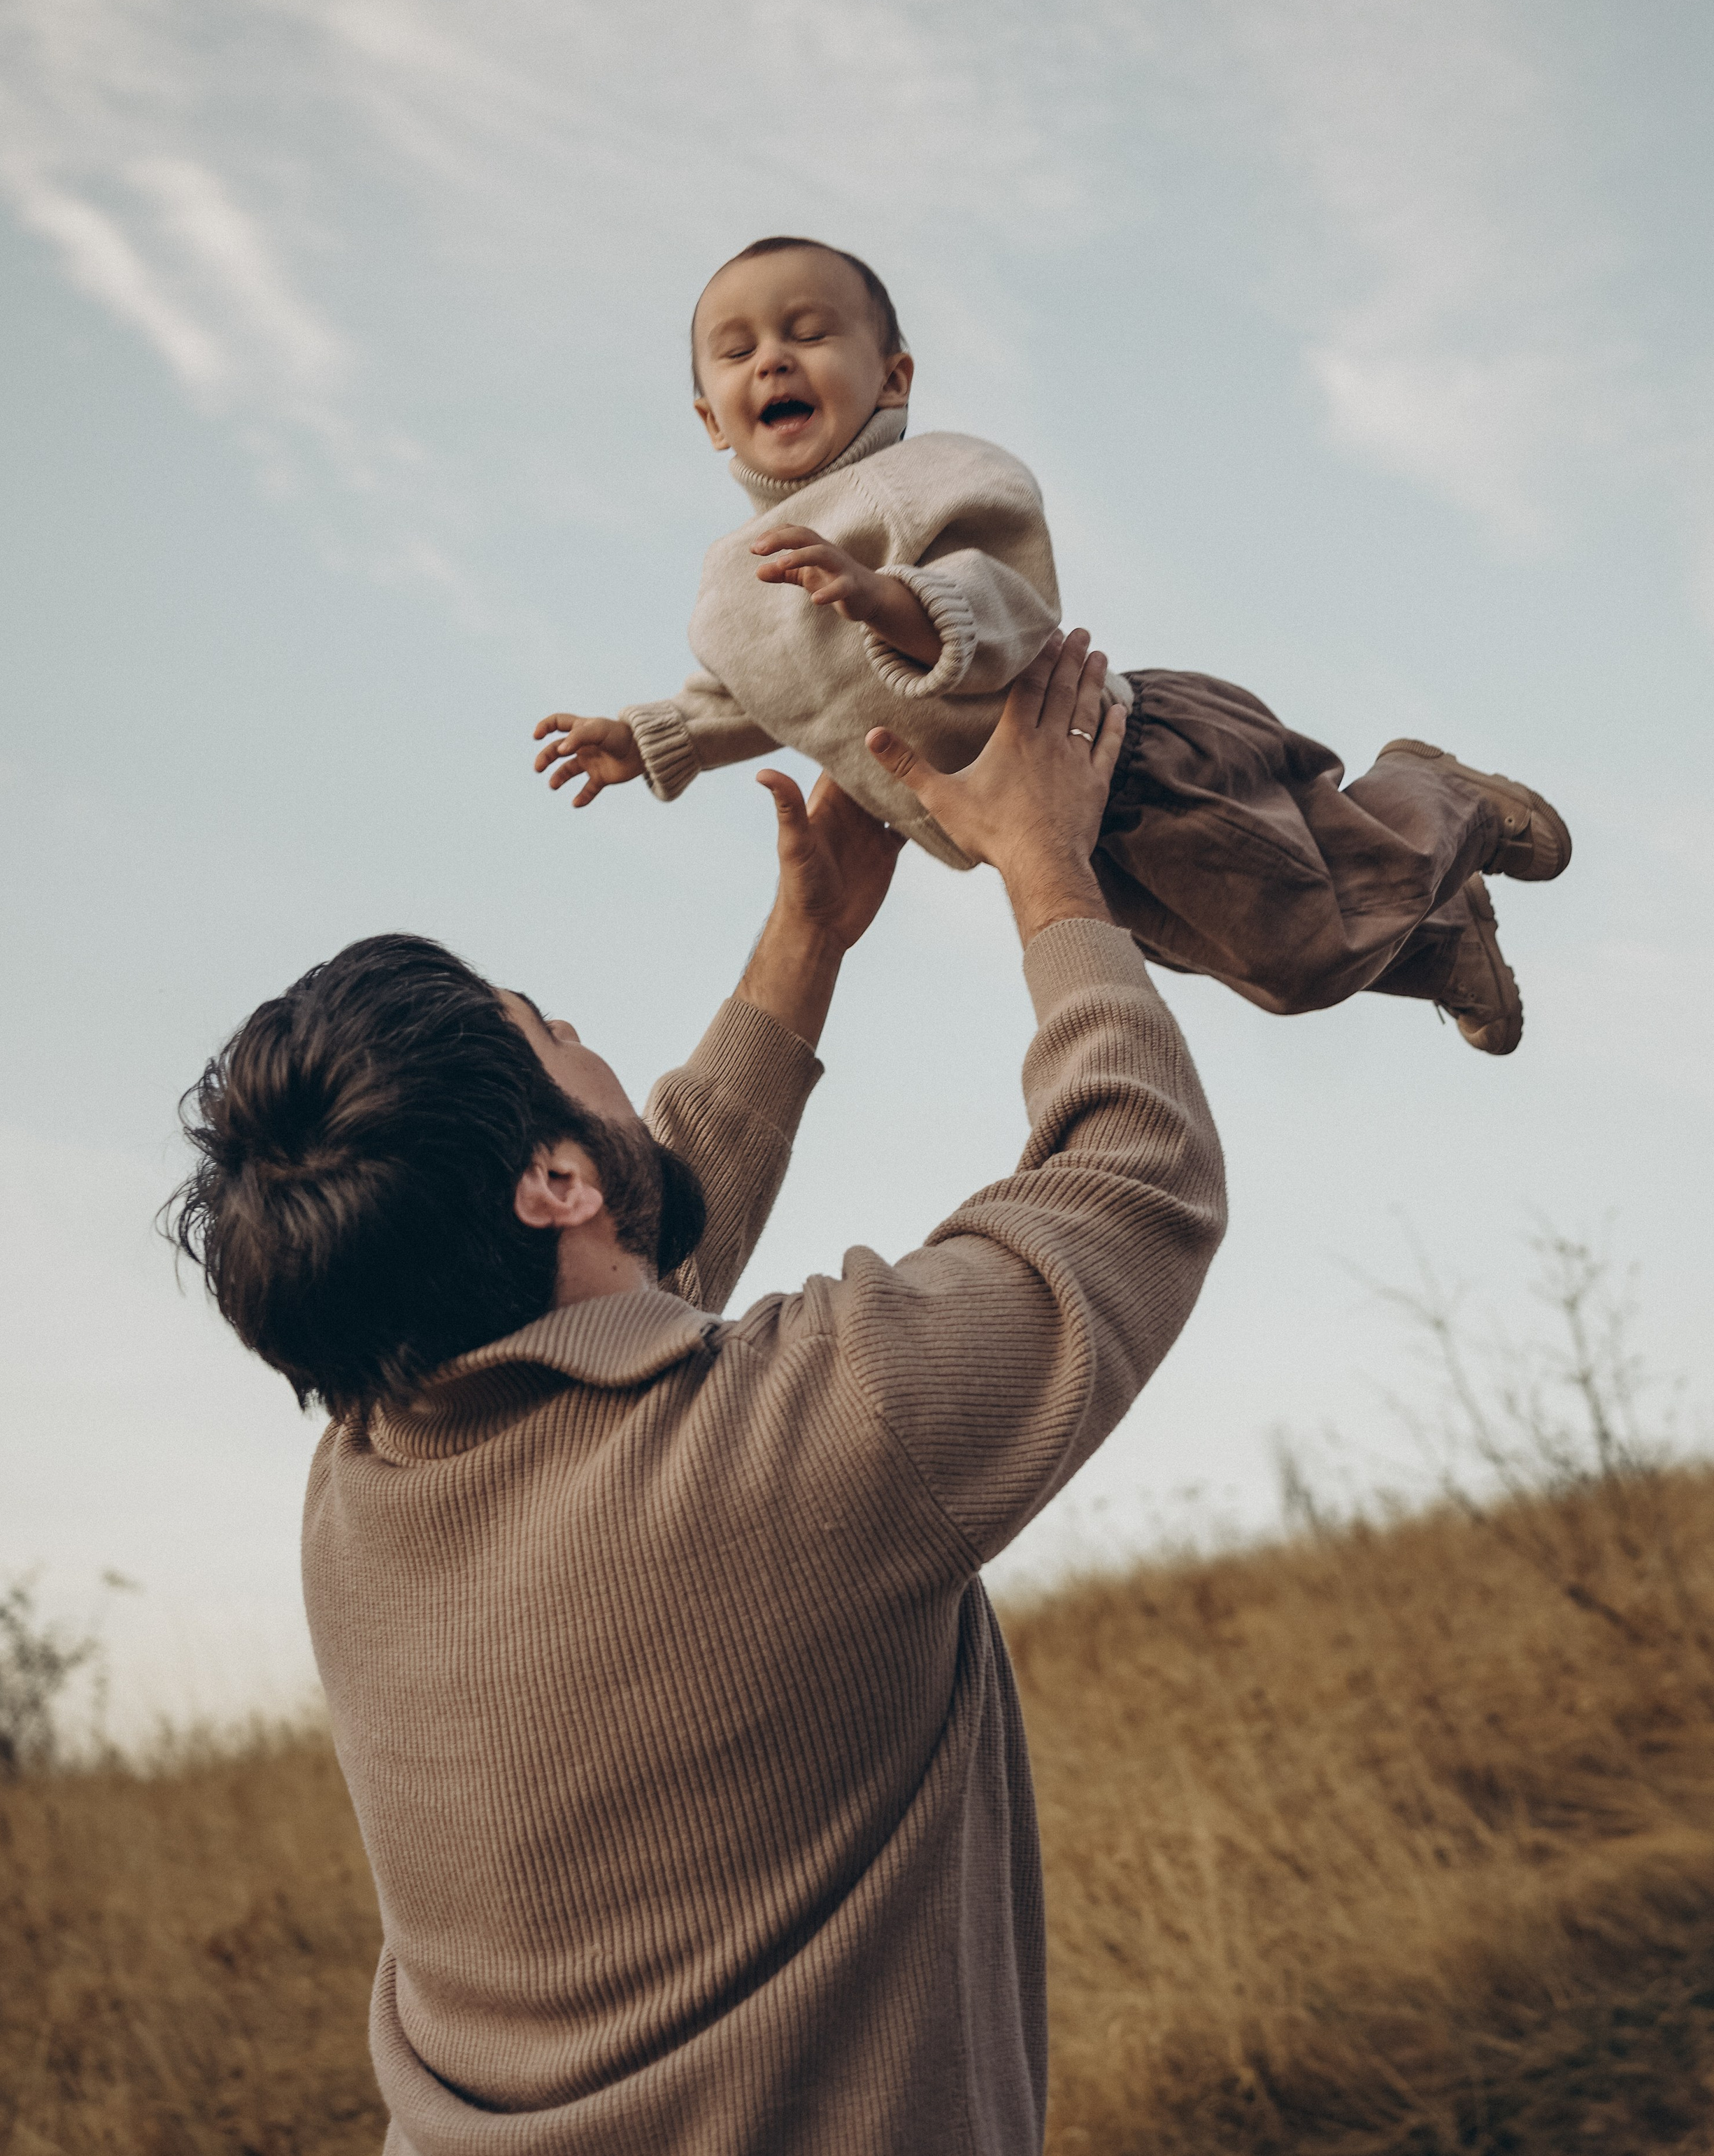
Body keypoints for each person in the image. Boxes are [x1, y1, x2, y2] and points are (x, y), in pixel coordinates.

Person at [166, 633, 1225, 2155]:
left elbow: (622, 1272)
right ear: (549, 1176)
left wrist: (803, 945)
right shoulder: (821, 1436)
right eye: (552, 1031)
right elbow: (1135, 1185)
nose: (591, 1041)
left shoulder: (367, 1477)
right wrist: (1049, 874)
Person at [534, 236, 1572, 1055]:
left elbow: (1006, 599)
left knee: (1299, 949)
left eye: (808, 333)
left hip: (1123, 754)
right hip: (1051, 837)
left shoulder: (928, 479)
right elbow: (754, 695)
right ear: (714, 421)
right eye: (738, 349)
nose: (772, 359)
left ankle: (1440, 793)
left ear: (892, 377)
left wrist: (890, 598)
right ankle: (1445, 943)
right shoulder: (734, 583)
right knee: (1262, 961)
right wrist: (645, 739)